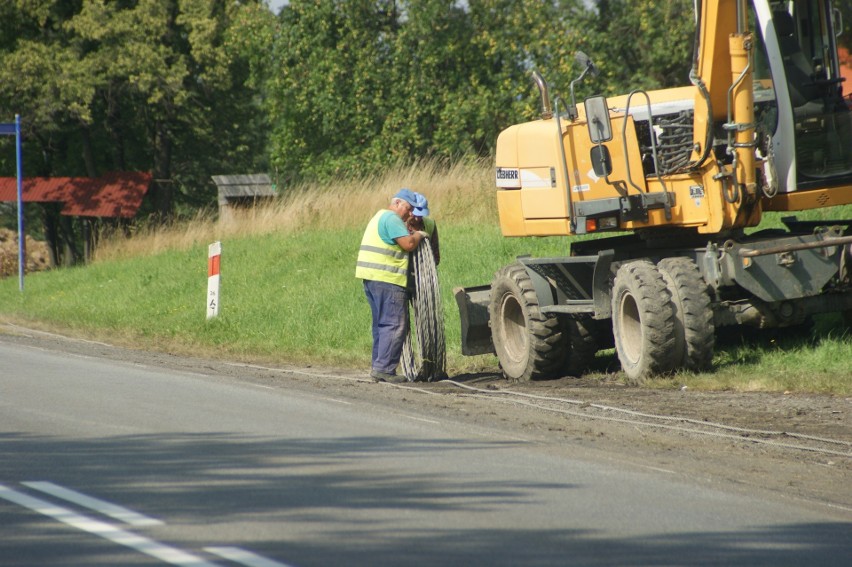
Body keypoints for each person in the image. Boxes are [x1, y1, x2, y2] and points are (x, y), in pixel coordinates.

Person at [355, 189, 429, 382]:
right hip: (388, 280)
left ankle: (378, 366)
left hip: (372, 279)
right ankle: (385, 369)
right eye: (409, 208)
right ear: (397, 203)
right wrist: (420, 235)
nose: (411, 213)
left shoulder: (379, 216)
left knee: (381, 325)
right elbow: (408, 244)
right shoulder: (393, 219)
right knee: (394, 324)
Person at [406, 192, 440, 266]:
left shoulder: (430, 225)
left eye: (420, 215)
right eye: (415, 214)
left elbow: (436, 256)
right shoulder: (400, 224)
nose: (417, 218)